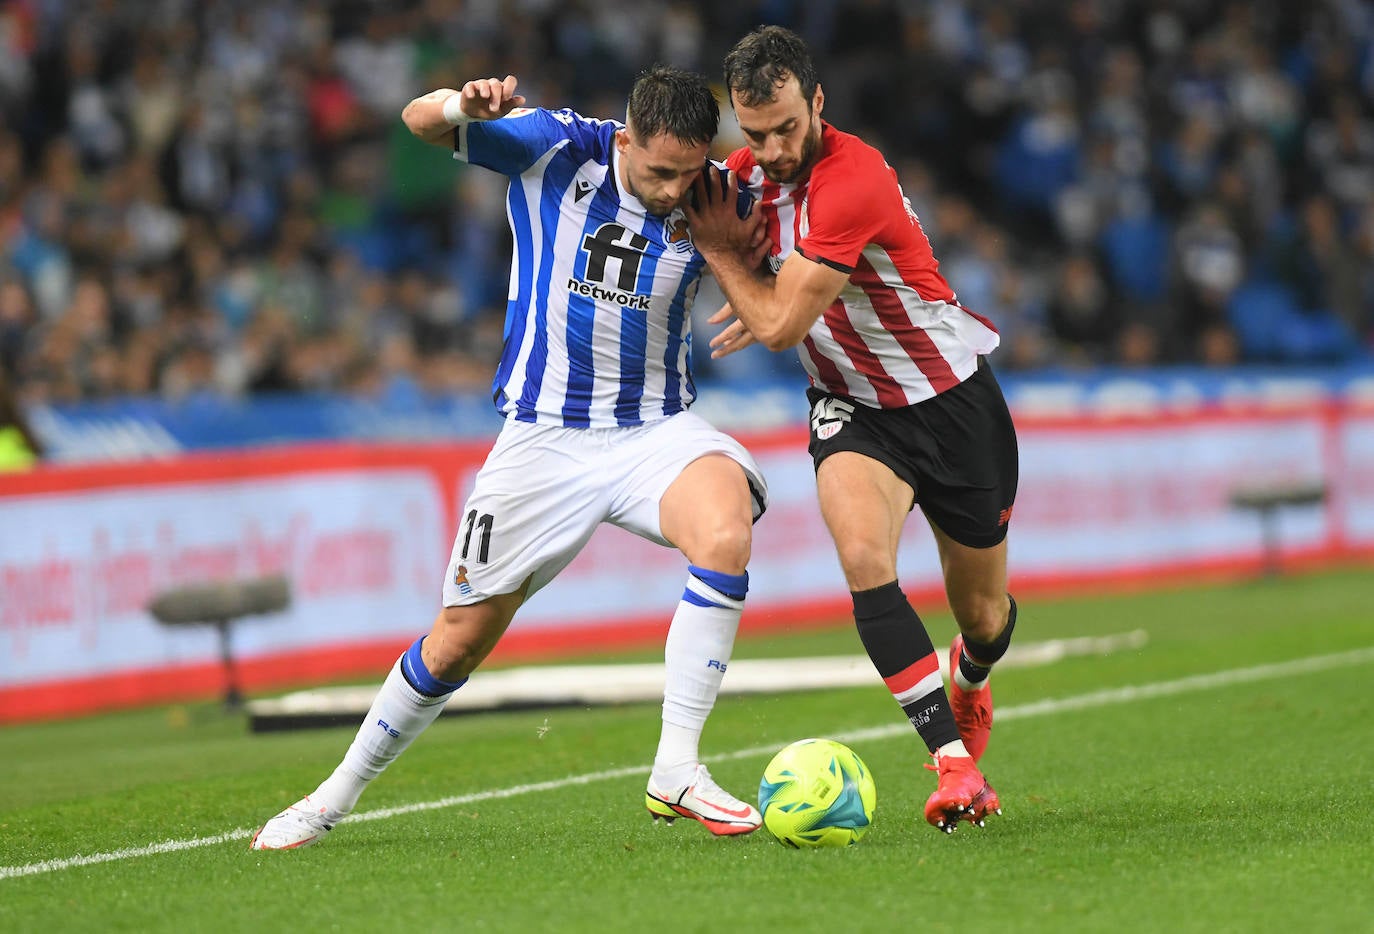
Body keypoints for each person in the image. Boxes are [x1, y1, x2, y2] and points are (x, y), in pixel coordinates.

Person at [252, 67, 772, 849]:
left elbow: (791, 265)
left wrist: (754, 274)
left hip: (655, 430)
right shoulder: (557, 147)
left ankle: (678, 770)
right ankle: (330, 798)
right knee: (456, 640)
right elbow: (418, 120)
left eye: (687, 172)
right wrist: (462, 104)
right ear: (626, 139)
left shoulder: (721, 197)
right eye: (659, 172)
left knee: (726, 528)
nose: (673, 190)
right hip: (544, 438)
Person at [684, 25, 1019, 834]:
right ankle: (952, 765)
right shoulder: (740, 176)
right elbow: (665, 192)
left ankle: (970, 681)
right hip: (852, 408)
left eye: (786, 129)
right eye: (753, 132)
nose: (770, 150)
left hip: (951, 403)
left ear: (817, 103)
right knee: (866, 561)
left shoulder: (853, 180)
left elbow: (777, 327)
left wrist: (734, 263)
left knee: (984, 618)